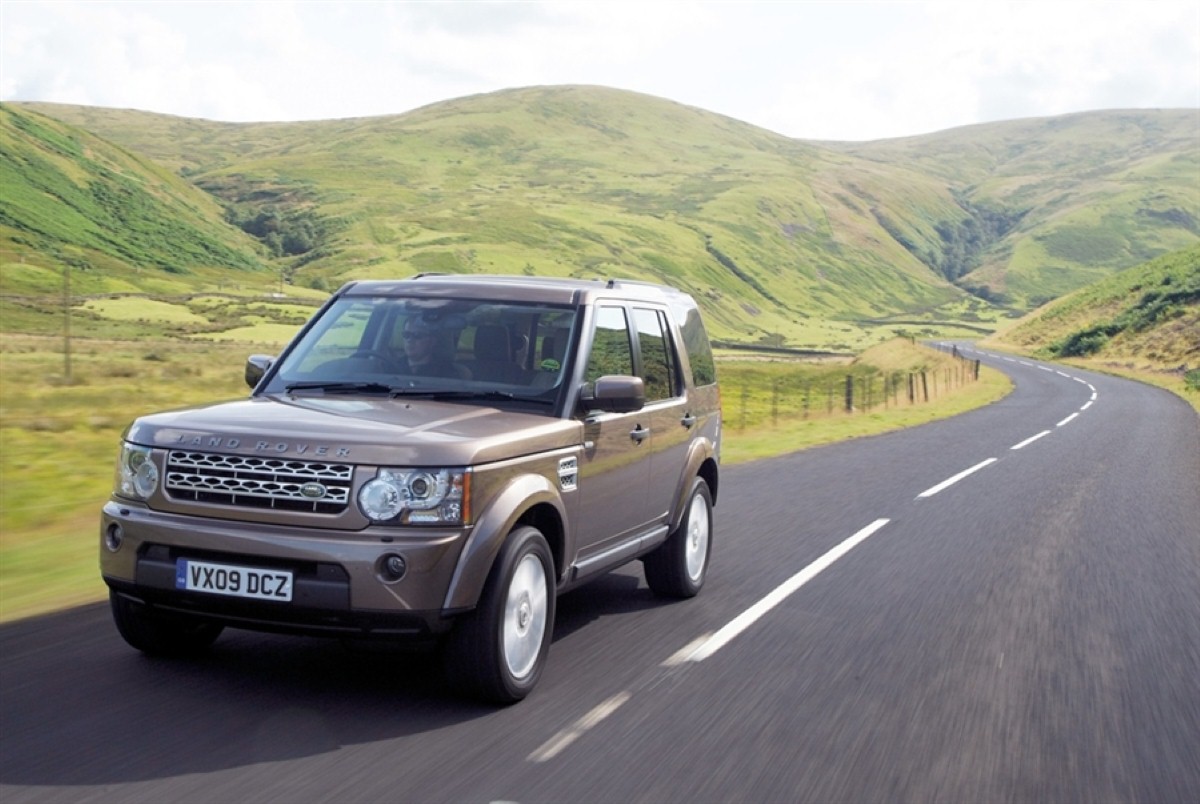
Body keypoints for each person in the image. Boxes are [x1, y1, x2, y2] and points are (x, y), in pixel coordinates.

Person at [396, 317, 466, 379]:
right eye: (406, 335)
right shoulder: (392, 366)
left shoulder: (446, 372)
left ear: (432, 341)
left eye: (417, 335)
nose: (409, 340)